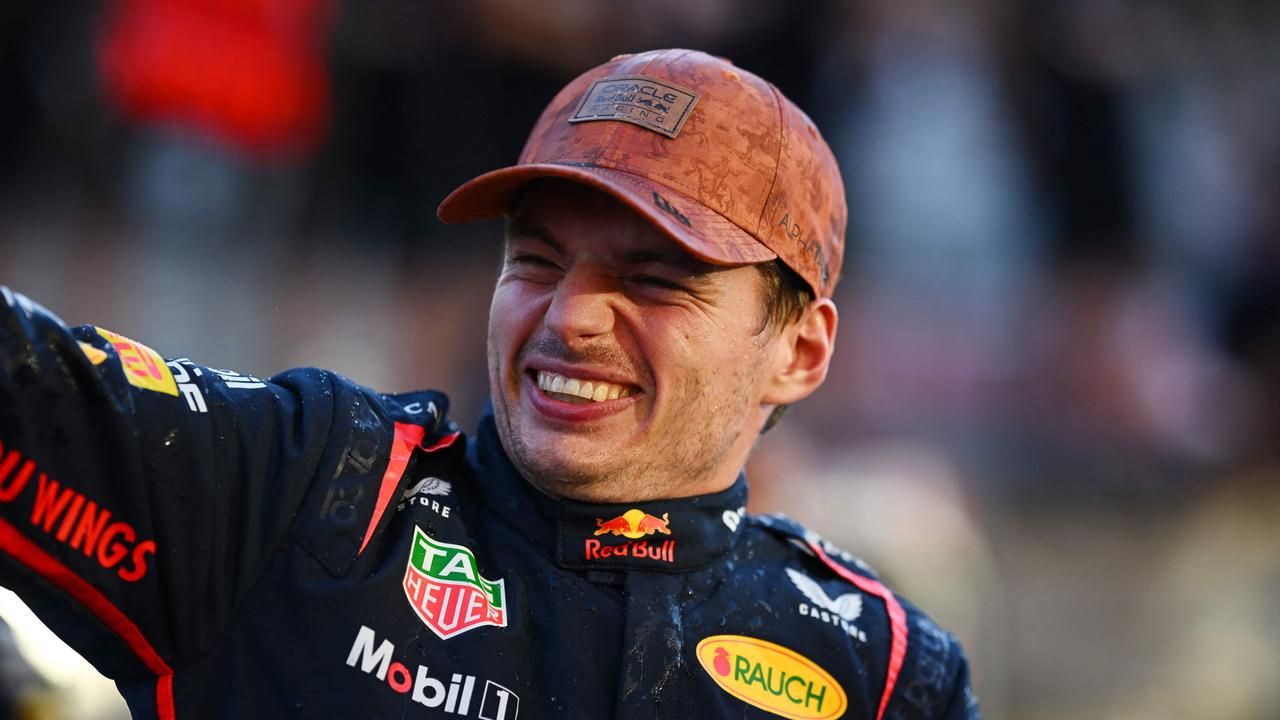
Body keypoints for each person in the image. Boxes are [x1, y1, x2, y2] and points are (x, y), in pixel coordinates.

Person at [0, 49, 980, 719]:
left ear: (798, 352)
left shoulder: (883, 670)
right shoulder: (309, 493)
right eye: (537, 262)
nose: (568, 317)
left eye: (651, 279)